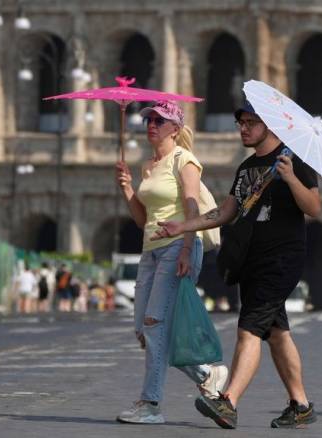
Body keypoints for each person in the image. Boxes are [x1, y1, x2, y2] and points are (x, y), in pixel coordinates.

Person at [153, 100, 320, 429]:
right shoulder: (245, 169)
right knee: (277, 333)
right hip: (251, 259)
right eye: (241, 123)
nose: (243, 128)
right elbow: (226, 212)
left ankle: (228, 401)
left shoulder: (294, 161)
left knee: (249, 330)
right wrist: (182, 226)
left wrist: (291, 179)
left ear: (269, 126)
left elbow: (314, 207)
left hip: (282, 258)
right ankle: (300, 405)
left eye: (250, 122)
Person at [114, 100, 228, 424]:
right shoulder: (148, 167)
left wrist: (186, 247)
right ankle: (207, 374)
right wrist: (127, 189)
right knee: (143, 329)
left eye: (159, 121)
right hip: (150, 250)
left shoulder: (185, 160)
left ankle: (151, 405)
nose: (151, 124)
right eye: (149, 119)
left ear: (175, 129)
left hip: (178, 245)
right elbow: (142, 219)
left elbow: (192, 207)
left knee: (154, 326)